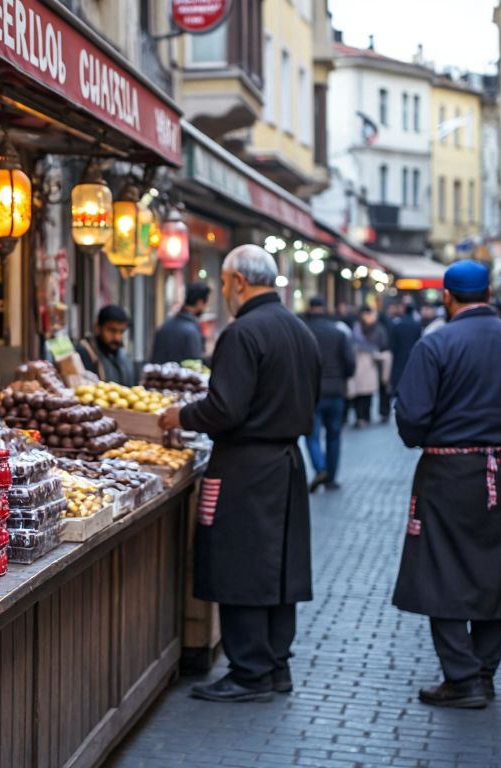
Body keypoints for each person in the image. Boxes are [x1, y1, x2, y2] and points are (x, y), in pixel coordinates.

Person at [392, 259, 501, 709]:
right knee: (495, 570)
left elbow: (411, 418)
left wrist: (432, 438)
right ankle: (482, 673)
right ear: (490, 293)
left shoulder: (436, 345)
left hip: (447, 474)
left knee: (440, 569)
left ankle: (462, 677)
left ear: (447, 296)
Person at [157, 245, 320, 702]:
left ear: (240, 282)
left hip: (246, 468)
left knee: (240, 565)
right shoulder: (299, 330)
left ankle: (249, 672)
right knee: (280, 569)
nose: (224, 293)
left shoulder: (242, 332)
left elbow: (225, 408)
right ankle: (276, 667)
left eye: (225, 284)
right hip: (287, 462)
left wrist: (180, 416)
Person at [301, 297, 355, 491]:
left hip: (313, 392)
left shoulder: (304, 331)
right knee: (334, 435)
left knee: (311, 435)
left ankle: (320, 467)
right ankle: (331, 477)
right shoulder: (337, 332)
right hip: (336, 391)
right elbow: (350, 363)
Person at [347, 307, 390, 426]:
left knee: (368, 393)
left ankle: (366, 416)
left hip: (373, 365)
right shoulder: (357, 328)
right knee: (359, 393)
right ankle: (361, 417)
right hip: (359, 364)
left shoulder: (378, 329)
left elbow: (383, 345)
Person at [150, 283, 210, 364]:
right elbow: (196, 364)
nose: (205, 307)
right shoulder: (192, 331)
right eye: (205, 304)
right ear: (200, 302)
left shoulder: (164, 327)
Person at [76, 305, 134, 385]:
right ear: (97, 327)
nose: (117, 338)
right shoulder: (85, 352)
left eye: (121, 332)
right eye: (112, 330)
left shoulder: (121, 354)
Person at [389, 301, 422, 391]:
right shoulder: (417, 326)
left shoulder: (397, 325)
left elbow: (392, 346)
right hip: (412, 360)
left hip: (398, 362)